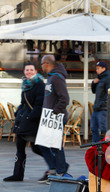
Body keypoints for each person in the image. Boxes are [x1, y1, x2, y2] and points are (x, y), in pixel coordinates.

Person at [3, 62, 46, 182]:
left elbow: (39, 104)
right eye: (27, 70)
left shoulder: (39, 85)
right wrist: (18, 113)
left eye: (31, 70)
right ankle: (17, 174)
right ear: (24, 71)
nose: (29, 72)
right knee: (20, 146)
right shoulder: (26, 85)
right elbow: (23, 103)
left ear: (36, 71)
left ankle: (57, 165)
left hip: (32, 122)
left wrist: (29, 117)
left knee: (36, 147)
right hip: (23, 120)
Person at [37, 54, 71, 182]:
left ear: (46, 63)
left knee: (55, 146)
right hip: (49, 117)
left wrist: (55, 112)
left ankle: (61, 173)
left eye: (41, 64)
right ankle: (54, 170)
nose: (41, 67)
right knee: (45, 144)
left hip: (56, 118)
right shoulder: (51, 78)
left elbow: (64, 98)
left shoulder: (56, 78)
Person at [90, 61, 110, 142]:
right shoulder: (100, 78)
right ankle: (95, 146)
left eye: (98, 68)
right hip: (96, 107)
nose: (96, 70)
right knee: (93, 128)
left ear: (104, 68)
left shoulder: (107, 78)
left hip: (103, 108)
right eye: (96, 68)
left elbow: (109, 93)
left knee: (103, 128)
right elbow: (94, 91)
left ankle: (107, 146)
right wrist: (93, 83)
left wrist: (100, 104)